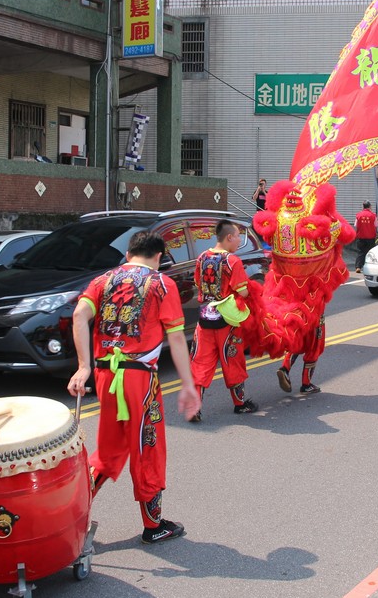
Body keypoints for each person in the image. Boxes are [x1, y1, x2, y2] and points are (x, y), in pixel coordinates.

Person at [68, 231, 201, 545]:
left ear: (129, 254)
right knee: (147, 446)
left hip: (104, 374)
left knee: (111, 447)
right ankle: (153, 524)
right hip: (139, 377)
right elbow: (177, 337)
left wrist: (84, 366)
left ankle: (69, 510)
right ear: (158, 257)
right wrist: (187, 384)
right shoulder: (161, 283)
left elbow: (78, 315)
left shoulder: (102, 280)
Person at [189, 220, 256, 418]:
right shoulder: (232, 261)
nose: (238, 241)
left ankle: (195, 407)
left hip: (204, 318)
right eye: (237, 236)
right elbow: (242, 291)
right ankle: (240, 404)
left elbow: (196, 282)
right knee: (232, 361)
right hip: (227, 322)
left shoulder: (202, 257)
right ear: (228, 237)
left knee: (200, 362)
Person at [277, 313, 326, 395]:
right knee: (313, 350)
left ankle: (285, 369)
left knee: (298, 343)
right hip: (314, 318)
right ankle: (306, 385)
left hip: (300, 316)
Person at [353, 201, 378, 272]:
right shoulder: (373, 215)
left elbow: (355, 225)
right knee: (370, 252)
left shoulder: (359, 215)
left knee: (361, 252)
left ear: (363, 206)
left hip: (361, 237)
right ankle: (370, 266)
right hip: (371, 237)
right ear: (370, 206)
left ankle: (358, 266)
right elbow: (376, 225)